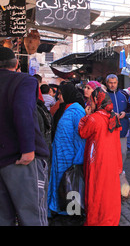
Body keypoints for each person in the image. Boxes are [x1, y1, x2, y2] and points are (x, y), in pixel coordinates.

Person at [0, 47, 50, 225]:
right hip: (22, 160)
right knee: (32, 217)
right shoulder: (24, 81)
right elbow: (23, 112)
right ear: (16, 64)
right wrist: (28, 149)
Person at [78, 88, 122, 226]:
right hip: (112, 160)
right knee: (110, 191)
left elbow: (82, 133)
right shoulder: (113, 117)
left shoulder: (93, 118)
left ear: (97, 100)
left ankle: (96, 220)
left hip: (97, 161)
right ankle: (110, 219)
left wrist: (86, 115)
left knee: (96, 190)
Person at [47, 82, 86, 217]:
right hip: (61, 157)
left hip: (70, 158)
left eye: (61, 93)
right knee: (62, 184)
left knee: (70, 185)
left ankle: (72, 215)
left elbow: (81, 137)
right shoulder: (67, 109)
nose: (58, 96)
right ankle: (59, 209)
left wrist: (78, 159)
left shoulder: (77, 111)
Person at [105, 74, 130, 199]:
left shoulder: (124, 94)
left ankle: (120, 173)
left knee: (123, 152)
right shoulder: (104, 95)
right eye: (110, 82)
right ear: (107, 83)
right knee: (110, 154)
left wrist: (125, 114)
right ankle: (111, 175)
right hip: (108, 131)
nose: (112, 85)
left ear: (117, 83)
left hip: (122, 129)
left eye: (114, 82)